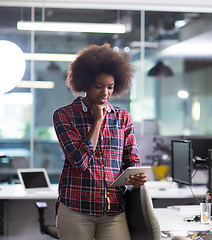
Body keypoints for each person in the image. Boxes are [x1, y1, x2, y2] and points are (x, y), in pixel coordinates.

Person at [53, 43, 147, 240]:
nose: (105, 93)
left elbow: (132, 160)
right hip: (76, 208)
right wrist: (97, 121)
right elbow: (80, 162)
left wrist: (136, 176)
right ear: (86, 83)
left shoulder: (122, 117)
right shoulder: (65, 115)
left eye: (110, 87)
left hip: (113, 209)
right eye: (99, 86)